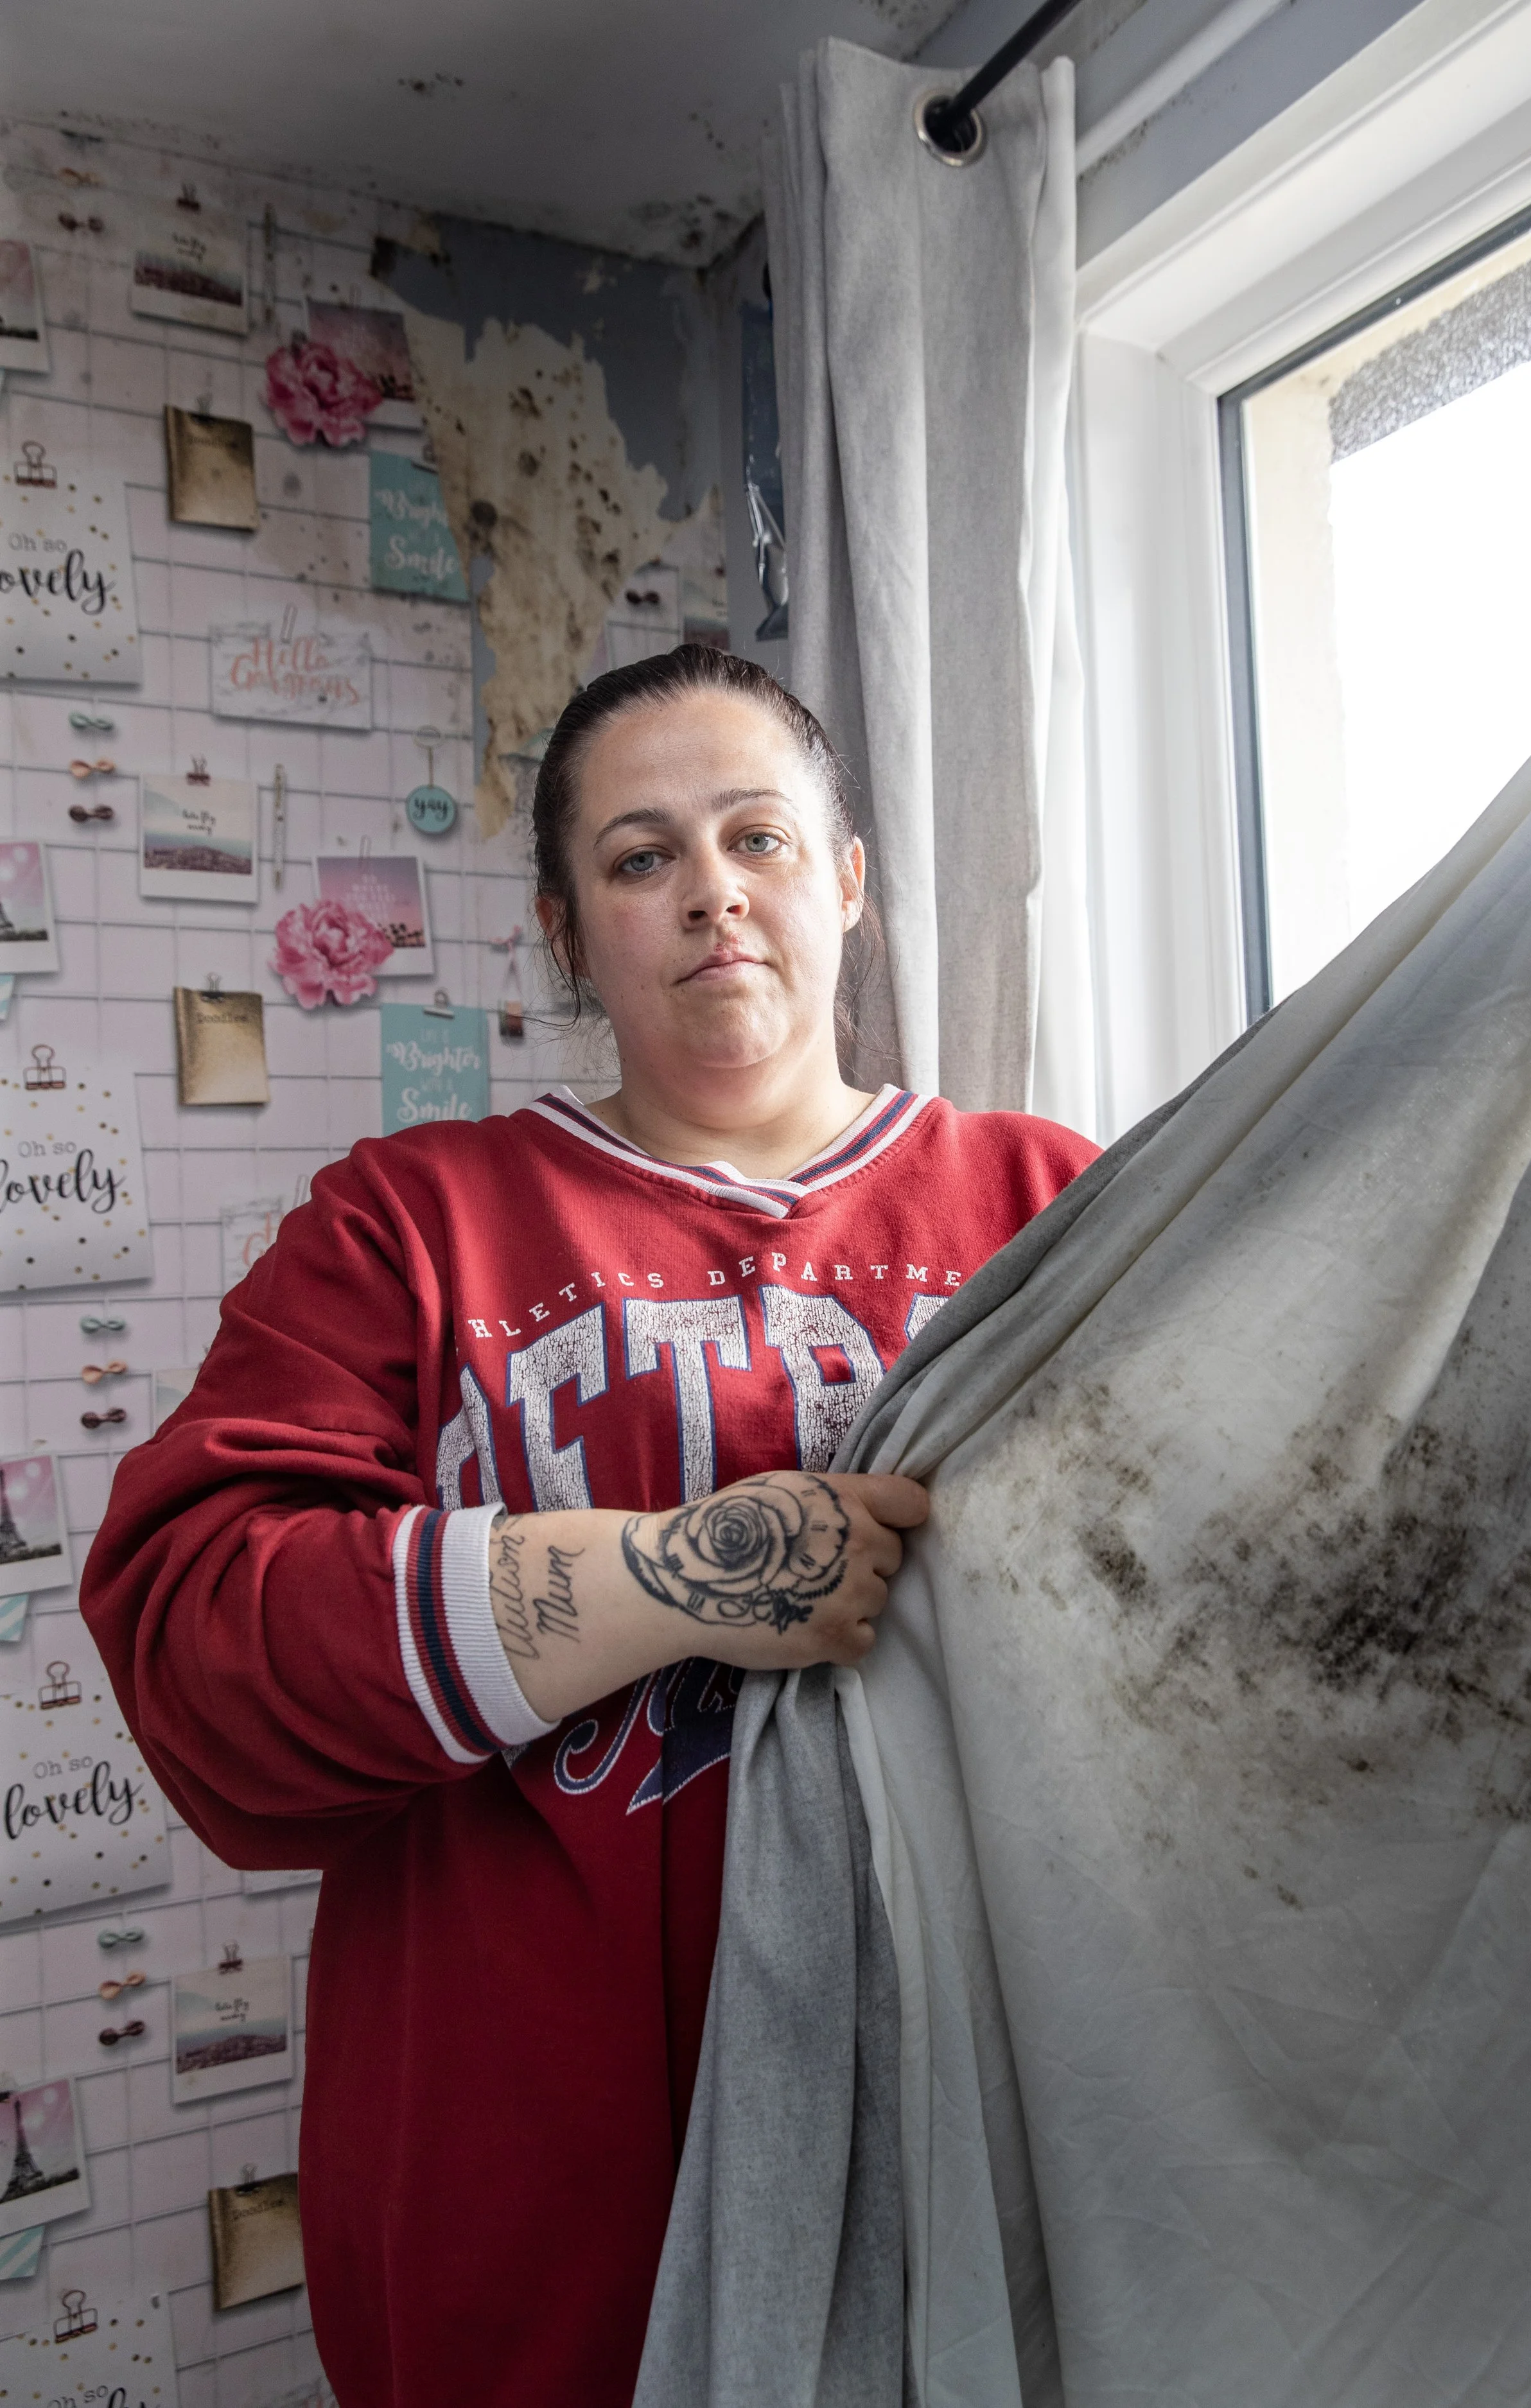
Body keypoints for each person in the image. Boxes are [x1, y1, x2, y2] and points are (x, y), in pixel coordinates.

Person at [82, 645, 1098, 2408]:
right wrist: (675, 1574)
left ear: (847, 882)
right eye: (640, 857)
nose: (710, 889)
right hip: (530, 2220)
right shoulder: (410, 1226)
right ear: (566, 926)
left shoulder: (1050, 1203)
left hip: (981, 2166)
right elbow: (199, 1640)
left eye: (758, 836)